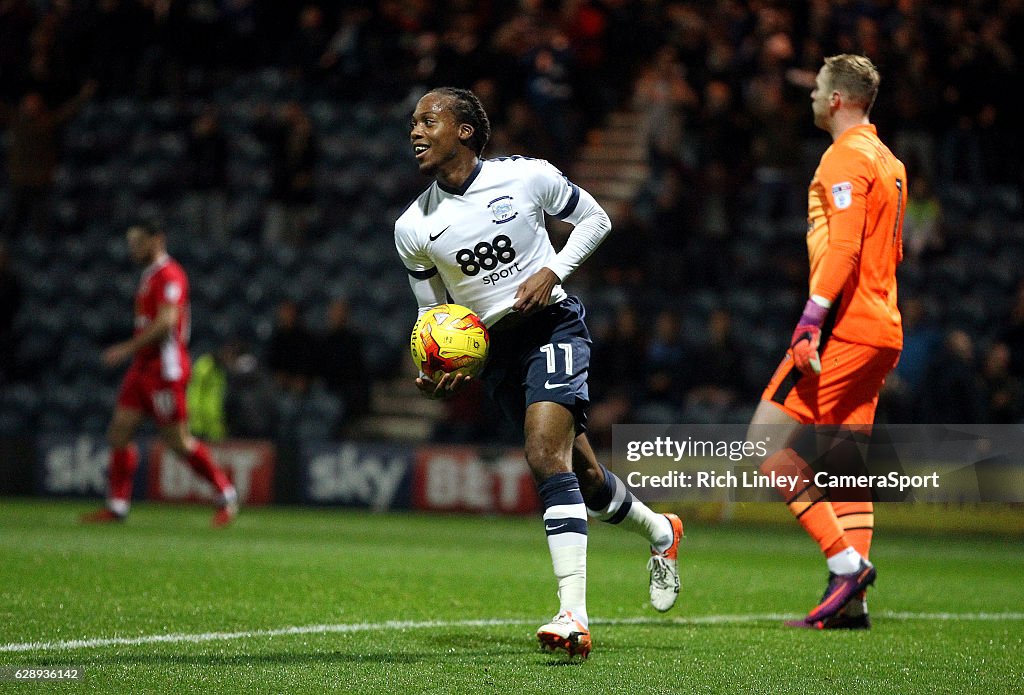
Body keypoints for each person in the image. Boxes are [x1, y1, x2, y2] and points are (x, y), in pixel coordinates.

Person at [395, 87, 682, 659]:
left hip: (552, 325)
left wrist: (552, 270)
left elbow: (595, 220)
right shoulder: (412, 227)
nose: (416, 131)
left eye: (429, 120)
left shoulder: (527, 177)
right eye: (413, 122)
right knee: (589, 482)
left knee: (543, 455)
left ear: (466, 131)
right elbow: (432, 313)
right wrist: (434, 364)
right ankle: (661, 532)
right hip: (495, 353)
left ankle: (573, 614)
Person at [745, 55, 907, 630]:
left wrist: (811, 318)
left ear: (837, 98)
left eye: (816, 88)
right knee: (845, 464)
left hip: (844, 326)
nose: (811, 96)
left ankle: (846, 568)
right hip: (884, 328)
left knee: (763, 443)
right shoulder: (890, 162)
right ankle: (853, 607)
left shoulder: (844, 157)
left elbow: (843, 249)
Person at [82, 221, 238, 527]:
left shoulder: (170, 275)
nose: (133, 249)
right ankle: (117, 506)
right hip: (142, 368)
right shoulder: (149, 275)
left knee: (178, 442)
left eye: (138, 242)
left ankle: (226, 495)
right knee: (119, 431)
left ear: (157, 240)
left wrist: (125, 349)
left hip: (164, 371)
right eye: (131, 243)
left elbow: (167, 322)